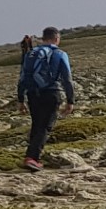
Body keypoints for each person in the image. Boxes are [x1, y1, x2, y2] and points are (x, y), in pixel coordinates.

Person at [16, 27, 75, 170]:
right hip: (51, 93)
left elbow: (22, 77)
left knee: (36, 125)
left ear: (43, 38)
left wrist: (20, 100)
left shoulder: (31, 54)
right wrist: (70, 100)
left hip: (32, 93)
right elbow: (67, 79)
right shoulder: (59, 54)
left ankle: (31, 157)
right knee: (45, 126)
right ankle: (32, 158)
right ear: (56, 38)